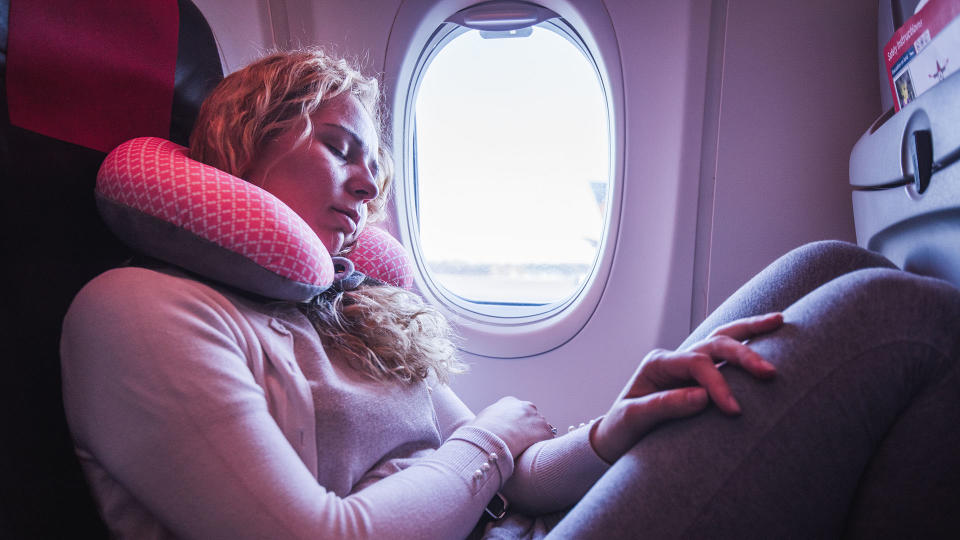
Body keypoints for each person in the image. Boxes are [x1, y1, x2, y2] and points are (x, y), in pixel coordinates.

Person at [60, 49, 960, 540]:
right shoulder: (144, 312)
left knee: (829, 267)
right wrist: (492, 438)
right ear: (238, 145)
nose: (371, 189)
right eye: (341, 148)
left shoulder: (347, 311)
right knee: (902, 322)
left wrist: (618, 422)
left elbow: (516, 479)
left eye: (378, 165)